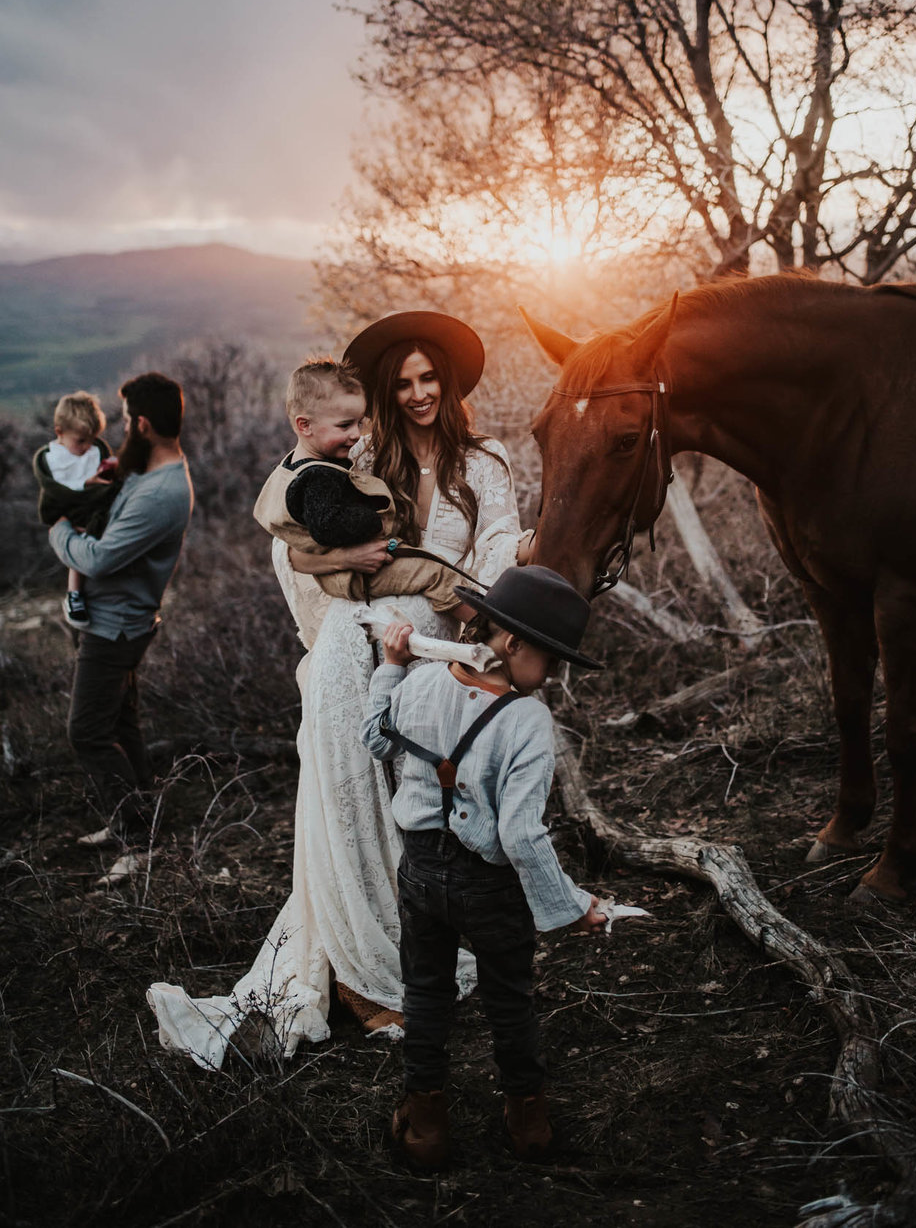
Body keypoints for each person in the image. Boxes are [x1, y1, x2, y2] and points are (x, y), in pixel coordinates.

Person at [147, 311, 531, 1069]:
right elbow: (296, 549)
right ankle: (360, 976)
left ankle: (398, 958)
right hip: (350, 648)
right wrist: (336, 607)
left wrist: (468, 640)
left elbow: (488, 561)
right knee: (349, 804)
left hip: (430, 653)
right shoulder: (363, 454)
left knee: (414, 815)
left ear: (448, 383)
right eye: (404, 383)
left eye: (429, 379)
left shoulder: (484, 461)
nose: (419, 393)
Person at [360, 565, 607, 1171]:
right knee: (509, 1000)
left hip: (419, 871)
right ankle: (530, 1124)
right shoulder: (528, 721)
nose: (551, 676)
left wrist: (389, 667)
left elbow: (376, 739)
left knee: (425, 994)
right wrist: (572, 906)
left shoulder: (416, 684)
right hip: (490, 885)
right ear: (514, 644)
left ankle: (426, 1126)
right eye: (549, 660)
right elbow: (521, 835)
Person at [47, 372, 194, 885]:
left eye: (129, 418)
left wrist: (59, 529)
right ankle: (138, 823)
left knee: (86, 731)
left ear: (145, 423)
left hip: (116, 628)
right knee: (120, 724)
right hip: (117, 620)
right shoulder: (150, 471)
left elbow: (103, 558)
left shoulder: (161, 492)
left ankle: (137, 842)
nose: (125, 426)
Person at [252, 358, 464, 612]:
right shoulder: (319, 476)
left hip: (349, 572)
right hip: (356, 573)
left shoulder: (294, 466)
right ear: (304, 425)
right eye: (344, 426)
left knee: (431, 568)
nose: (355, 434)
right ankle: (484, 627)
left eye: (359, 423)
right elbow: (327, 526)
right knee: (436, 573)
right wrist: (372, 519)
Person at [33, 390, 119, 628]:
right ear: (59, 432)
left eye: (92, 439)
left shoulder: (93, 450)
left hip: (95, 510)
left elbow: (103, 481)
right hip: (68, 511)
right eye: (81, 441)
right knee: (81, 545)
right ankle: (74, 595)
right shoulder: (54, 458)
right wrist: (88, 485)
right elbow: (58, 489)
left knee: (97, 538)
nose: (87, 446)